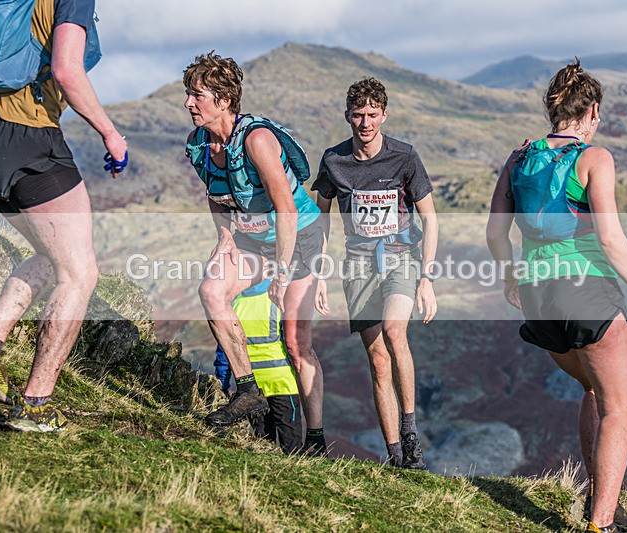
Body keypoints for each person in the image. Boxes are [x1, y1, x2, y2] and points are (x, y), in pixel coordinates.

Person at [486, 59, 627, 533]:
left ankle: (600, 503)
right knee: (618, 407)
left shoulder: (518, 158)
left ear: (552, 109)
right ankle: (601, 524)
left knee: (591, 387)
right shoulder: (595, 158)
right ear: (593, 111)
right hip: (587, 291)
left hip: (538, 296)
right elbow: (610, 238)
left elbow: (495, 234)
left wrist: (510, 279)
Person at [0, 0, 127, 432]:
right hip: (30, 140)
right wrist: (110, 133)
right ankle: (35, 405)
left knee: (52, 253)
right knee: (80, 272)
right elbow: (68, 70)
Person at [182, 52, 327, 455]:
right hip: (251, 239)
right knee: (212, 291)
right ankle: (247, 389)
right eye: (188, 94)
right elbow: (216, 196)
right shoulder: (198, 145)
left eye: (197, 95)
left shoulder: (257, 140)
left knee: (298, 345)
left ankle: (314, 440)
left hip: (298, 238)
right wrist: (224, 240)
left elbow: (287, 209)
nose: (189, 103)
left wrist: (281, 274)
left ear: (223, 100)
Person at [312, 77, 438, 469]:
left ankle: (411, 430)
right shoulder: (334, 160)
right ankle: (396, 454)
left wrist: (427, 278)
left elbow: (430, 218)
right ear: (347, 115)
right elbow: (321, 218)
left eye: (371, 115)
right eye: (357, 115)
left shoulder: (405, 157)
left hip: (401, 255)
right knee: (377, 359)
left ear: (384, 114)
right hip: (359, 264)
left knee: (395, 330)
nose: (364, 123)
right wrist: (319, 274)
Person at [213, 279, 303, 454]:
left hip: (251, 388)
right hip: (283, 383)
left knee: (261, 446)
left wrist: (221, 384)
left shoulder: (234, 303)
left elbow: (224, 351)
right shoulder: (279, 297)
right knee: (292, 447)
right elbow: (293, 344)